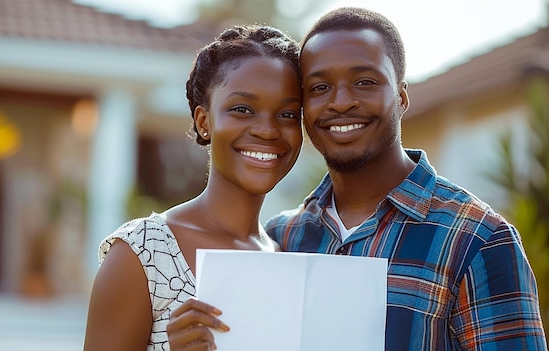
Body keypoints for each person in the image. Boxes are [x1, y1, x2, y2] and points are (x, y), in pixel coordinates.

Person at [166, 7, 548, 350]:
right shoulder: (281, 239)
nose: (340, 101)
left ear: (400, 97)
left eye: (364, 82)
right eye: (319, 87)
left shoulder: (477, 239)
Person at [82, 24, 303, 351]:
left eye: (287, 114)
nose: (268, 130)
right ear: (204, 121)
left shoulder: (288, 258)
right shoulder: (142, 254)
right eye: (242, 109)